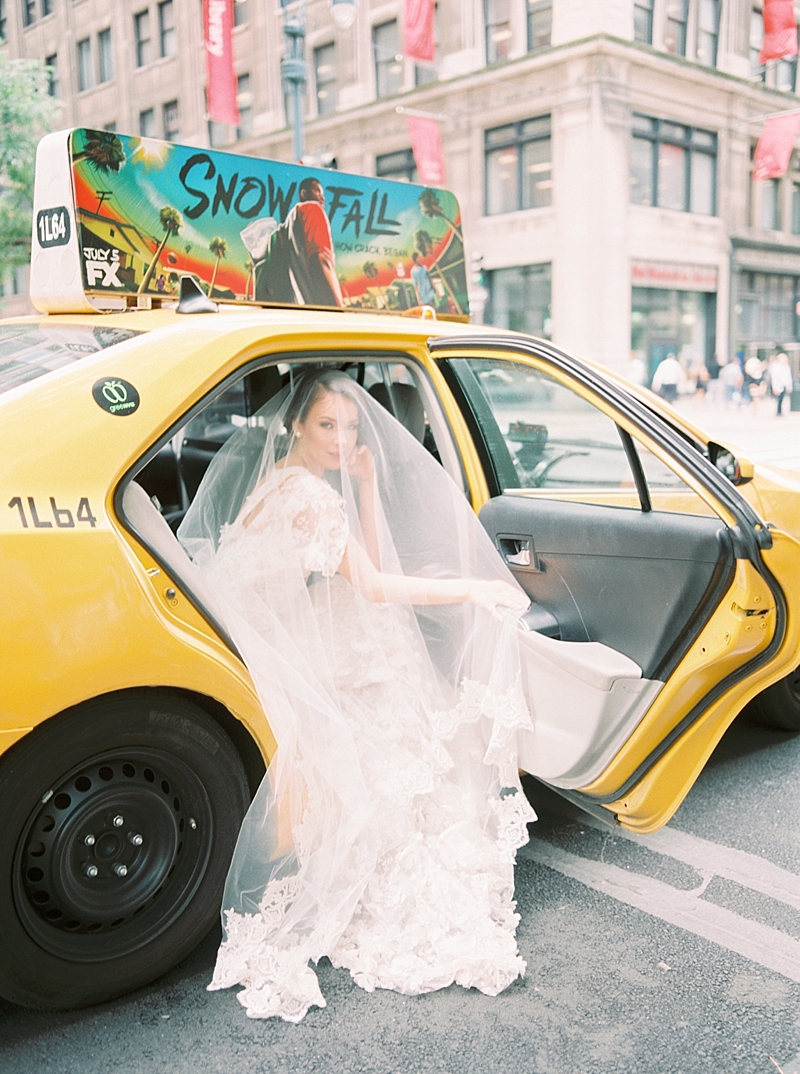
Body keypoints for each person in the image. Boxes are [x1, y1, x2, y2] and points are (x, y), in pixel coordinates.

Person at [178, 368, 536, 1023]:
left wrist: (367, 485)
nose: (343, 439)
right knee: (394, 680)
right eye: (326, 425)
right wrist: (470, 588)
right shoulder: (311, 497)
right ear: (295, 425)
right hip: (314, 652)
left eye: (350, 426)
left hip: (289, 638)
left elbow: (363, 563)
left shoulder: (284, 481)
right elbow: (374, 584)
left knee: (390, 670)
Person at [769, 352, 794, 416]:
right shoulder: (776, 366)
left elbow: (789, 377)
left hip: (784, 385)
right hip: (778, 385)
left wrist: (789, 386)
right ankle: (778, 411)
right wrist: (775, 387)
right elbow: (774, 378)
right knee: (778, 399)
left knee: (783, 399)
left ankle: (780, 411)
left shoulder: (786, 366)